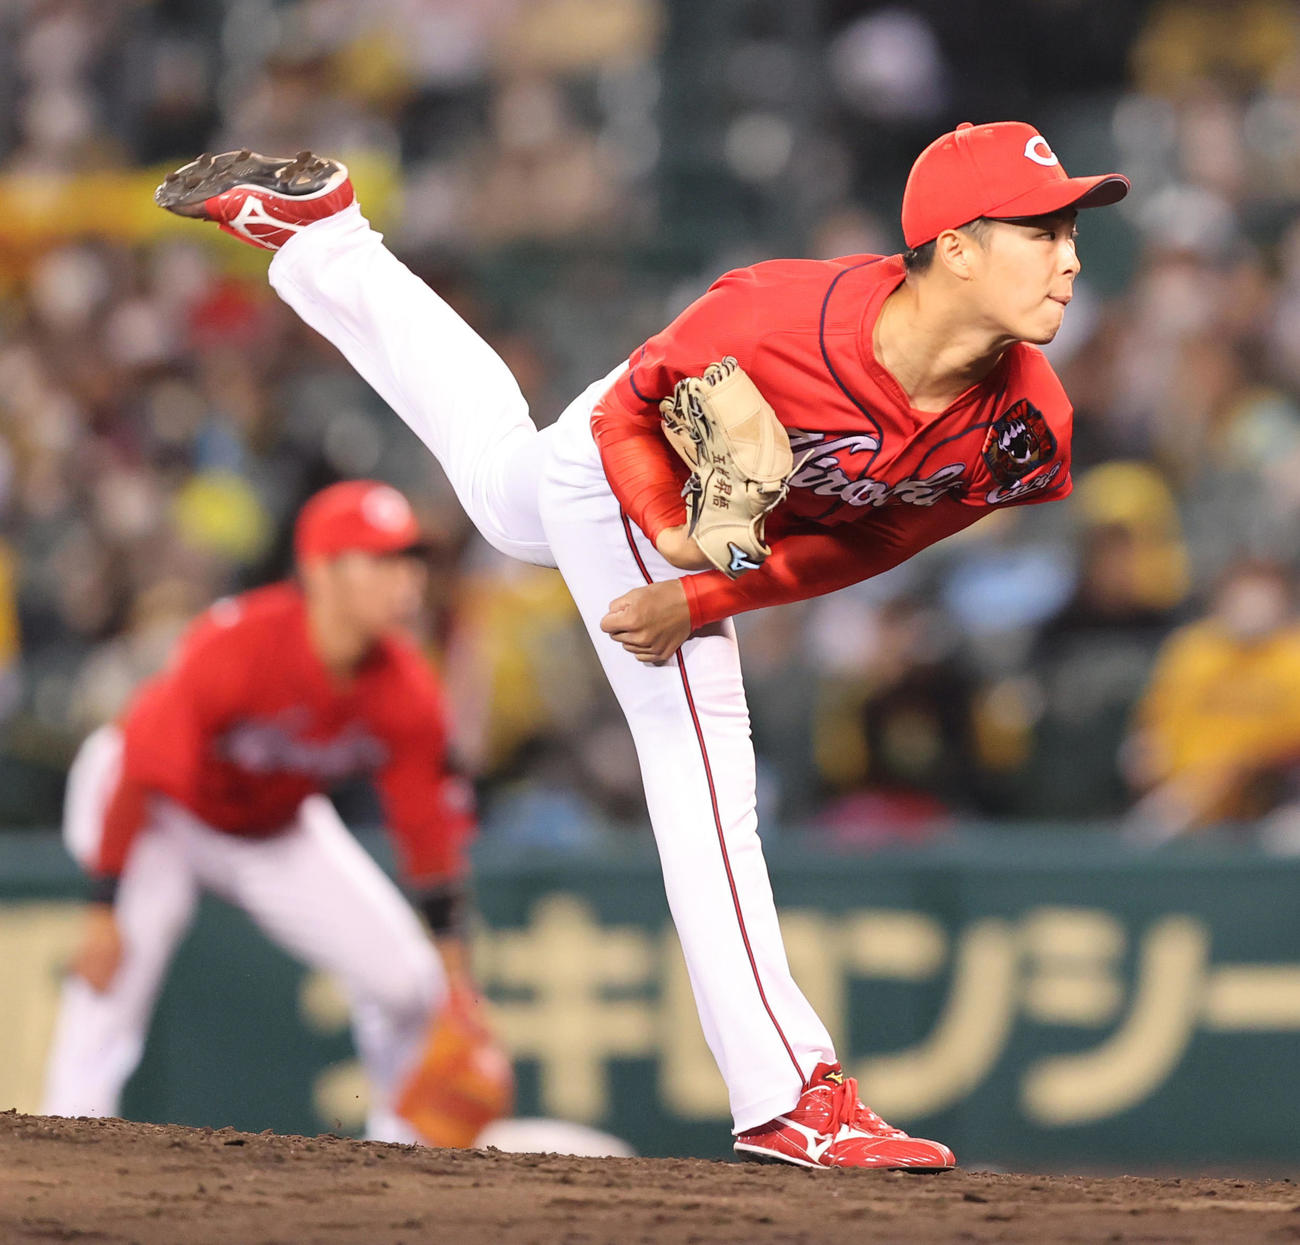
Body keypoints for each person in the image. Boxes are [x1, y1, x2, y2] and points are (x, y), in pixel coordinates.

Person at [154, 124, 1128, 1169]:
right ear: (958, 246)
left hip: (675, 519)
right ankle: (788, 1090)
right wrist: (674, 563)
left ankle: (323, 241)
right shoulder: (773, 317)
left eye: (1070, 230)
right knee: (701, 764)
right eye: (1040, 231)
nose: (1070, 258)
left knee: (498, 495)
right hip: (635, 462)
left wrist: (708, 593)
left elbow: (883, 536)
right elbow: (623, 415)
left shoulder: (1028, 423)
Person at [43, 479, 494, 1145]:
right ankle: (66, 1137)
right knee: (122, 958)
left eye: (410, 560)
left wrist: (456, 976)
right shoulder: (237, 645)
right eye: (382, 560)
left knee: (409, 983)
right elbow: (141, 762)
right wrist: (102, 906)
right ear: (320, 570)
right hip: (156, 806)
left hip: (271, 821)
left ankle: (407, 1151)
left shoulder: (404, 688)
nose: (407, 580)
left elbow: (428, 832)